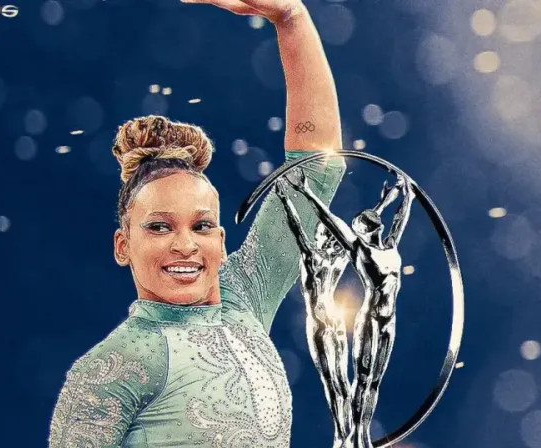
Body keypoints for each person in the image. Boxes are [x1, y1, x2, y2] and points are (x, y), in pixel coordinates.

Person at [47, 0, 347, 446]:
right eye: (159, 227)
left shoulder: (244, 297)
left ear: (221, 242)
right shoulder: (110, 369)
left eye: (201, 226)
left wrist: (291, 18)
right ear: (123, 245)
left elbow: (317, 168)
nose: (184, 245)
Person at [285, 172, 414, 448]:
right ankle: (348, 436)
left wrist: (405, 197)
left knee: (370, 382)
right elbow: (327, 222)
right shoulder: (355, 253)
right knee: (346, 382)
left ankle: (360, 435)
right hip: (364, 322)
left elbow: (398, 220)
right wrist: (303, 192)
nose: (333, 241)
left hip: (386, 323)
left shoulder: (389, 247)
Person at [274, 180, 352, 448]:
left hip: (324, 322)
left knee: (336, 382)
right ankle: (344, 434)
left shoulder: (318, 257)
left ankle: (345, 436)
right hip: (329, 320)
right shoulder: (331, 258)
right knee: (338, 382)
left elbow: (297, 227)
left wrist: (287, 199)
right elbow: (300, 228)